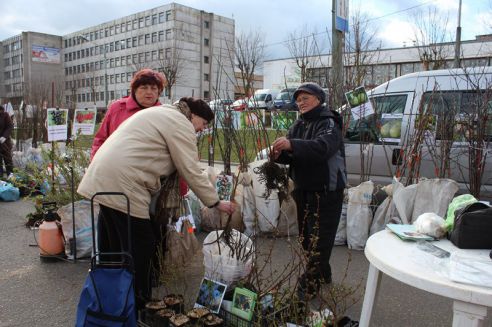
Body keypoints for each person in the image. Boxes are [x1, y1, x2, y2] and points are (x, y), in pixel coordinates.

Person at [77, 97, 236, 310]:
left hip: (103, 180)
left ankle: (110, 301)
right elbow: (190, 168)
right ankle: (138, 304)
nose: (202, 130)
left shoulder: (161, 113)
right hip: (125, 184)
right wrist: (215, 202)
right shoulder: (180, 123)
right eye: (204, 124)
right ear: (195, 115)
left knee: (114, 248)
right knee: (143, 245)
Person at [272, 82, 347, 299]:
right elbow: (293, 155)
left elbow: (322, 148)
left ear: (318, 99)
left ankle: (308, 287)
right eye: (298, 99)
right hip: (303, 190)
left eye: (305, 98)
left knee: (319, 240)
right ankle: (323, 273)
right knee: (307, 239)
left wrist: (292, 145)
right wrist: (280, 155)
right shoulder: (298, 126)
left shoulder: (329, 123)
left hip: (327, 191)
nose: (300, 102)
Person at [90, 68, 166, 160]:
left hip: (151, 170)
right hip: (116, 167)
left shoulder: (164, 114)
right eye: (144, 87)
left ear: (159, 92)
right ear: (134, 90)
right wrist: (95, 163)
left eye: (154, 88)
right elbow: (100, 140)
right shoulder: (117, 108)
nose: (149, 92)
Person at [0, 105, 14, 178]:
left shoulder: (5, 115)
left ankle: (11, 179)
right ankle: (1, 181)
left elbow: (10, 126)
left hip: (5, 143)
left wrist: (4, 136)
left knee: (8, 161)